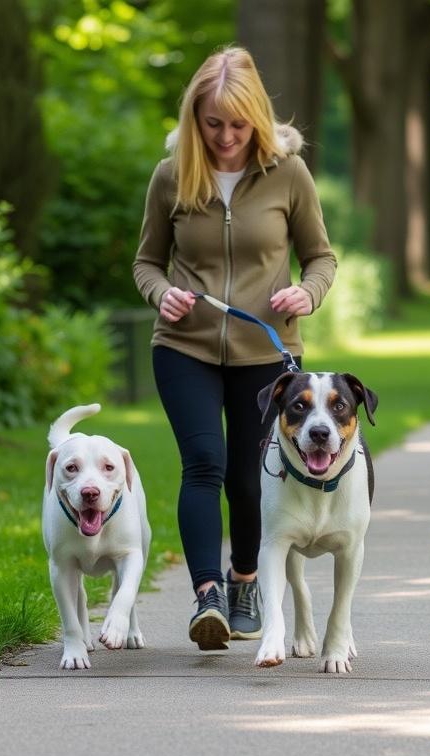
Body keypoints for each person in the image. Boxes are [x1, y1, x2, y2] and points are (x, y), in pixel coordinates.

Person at [132, 46, 336, 651]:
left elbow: (321, 256)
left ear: (258, 119)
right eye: (212, 123)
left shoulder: (289, 175)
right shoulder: (172, 175)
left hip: (265, 355)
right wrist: (161, 293)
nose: (225, 137)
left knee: (249, 480)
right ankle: (207, 597)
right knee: (204, 466)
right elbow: (146, 261)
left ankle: (244, 578)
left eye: (238, 125)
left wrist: (307, 292)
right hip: (184, 347)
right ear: (194, 118)